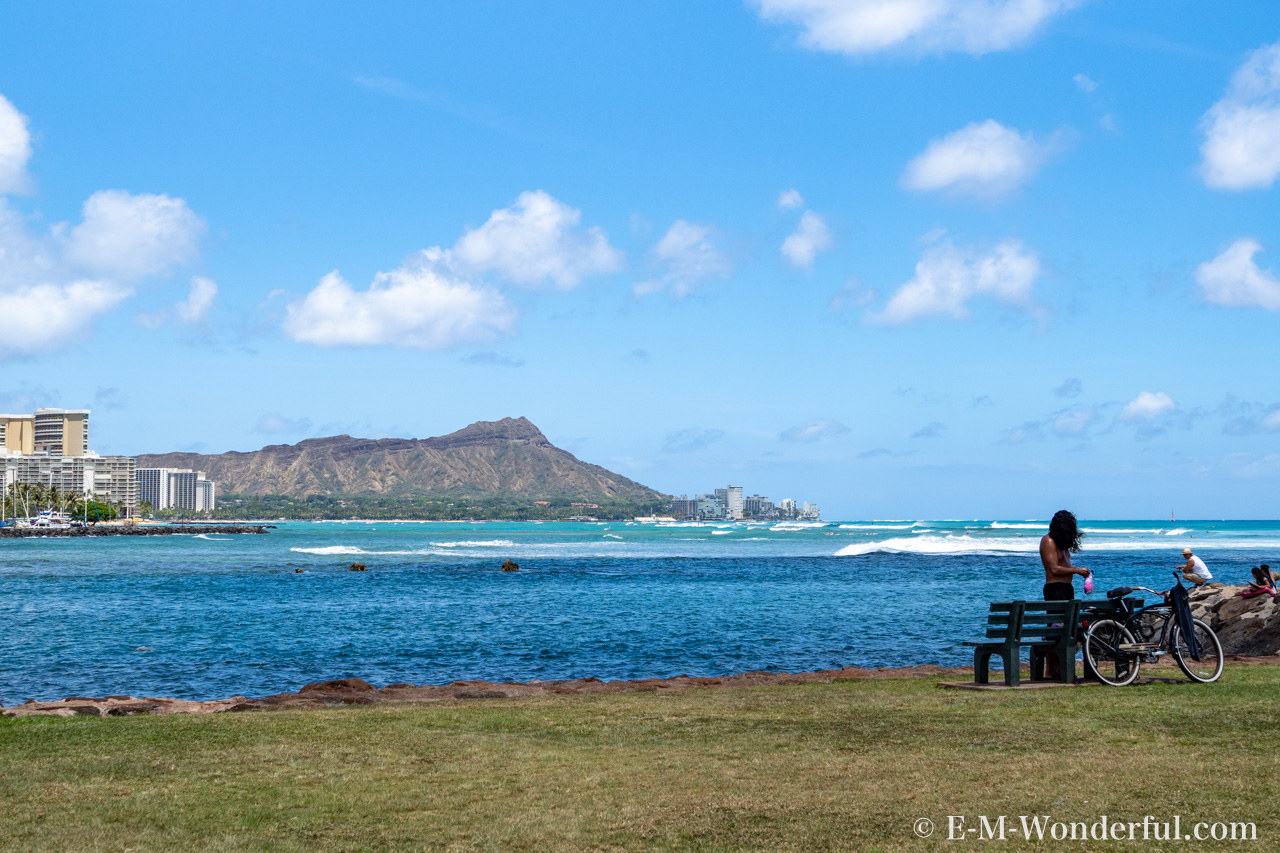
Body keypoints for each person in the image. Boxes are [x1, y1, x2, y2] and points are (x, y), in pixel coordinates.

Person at [1040, 510, 1089, 679]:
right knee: (1057, 628)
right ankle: (1052, 670)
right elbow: (1053, 568)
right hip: (1055, 589)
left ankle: (1056, 669)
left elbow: (1064, 567)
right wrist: (1076, 570)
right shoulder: (1048, 541)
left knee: (1065, 629)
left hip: (1067, 588)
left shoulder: (1062, 546)